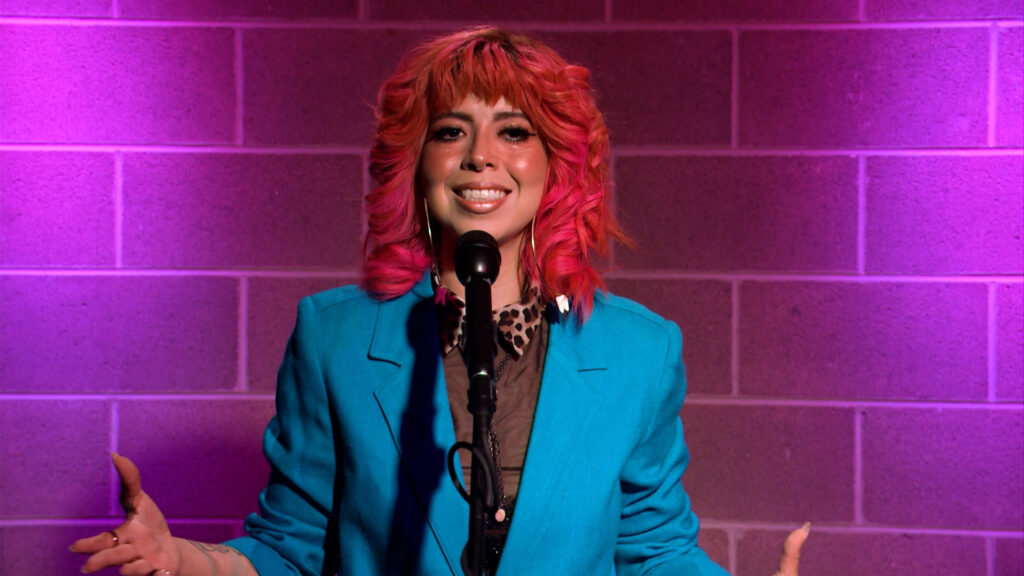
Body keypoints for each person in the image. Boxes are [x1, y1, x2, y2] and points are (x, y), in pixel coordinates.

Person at [71, 27, 808, 575]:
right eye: (452, 131)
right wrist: (180, 560)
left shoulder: (640, 352)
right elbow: (286, 545)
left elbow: (653, 552)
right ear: (417, 164)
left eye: (514, 132)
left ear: (557, 167)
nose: (480, 155)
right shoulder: (333, 336)